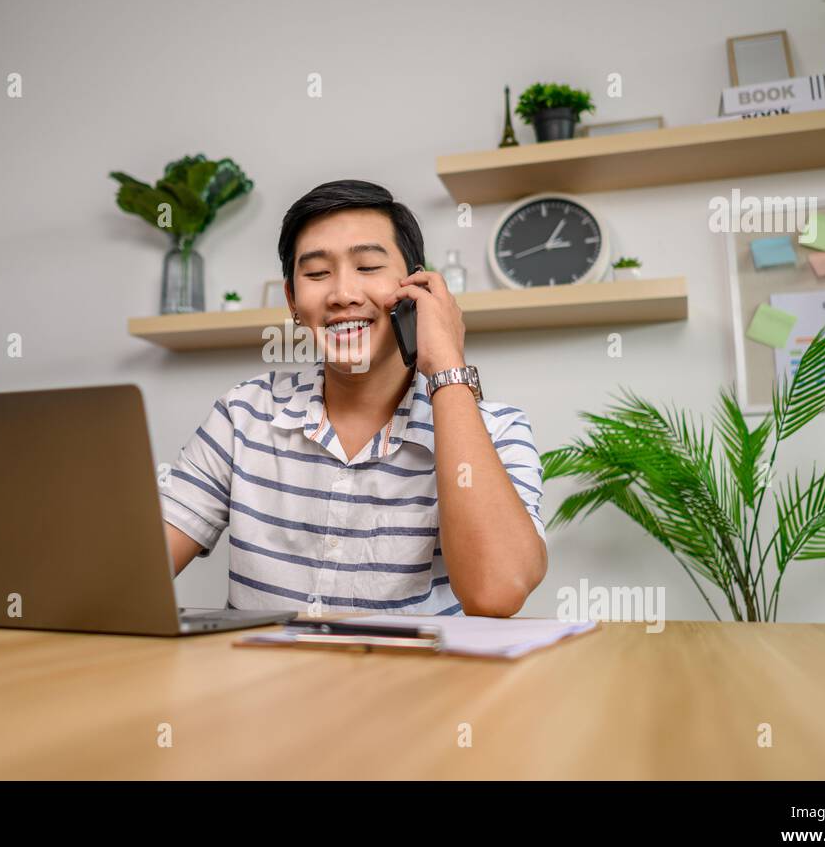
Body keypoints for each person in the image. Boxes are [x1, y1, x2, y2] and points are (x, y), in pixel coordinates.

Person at [158, 180, 548, 616]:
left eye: (366, 267)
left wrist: (447, 371)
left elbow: (497, 591)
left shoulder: (497, 430)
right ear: (292, 300)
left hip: (419, 684)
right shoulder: (244, 413)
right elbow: (135, 571)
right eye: (317, 274)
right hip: (262, 682)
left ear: (416, 288)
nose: (343, 293)